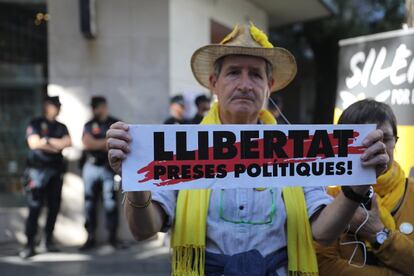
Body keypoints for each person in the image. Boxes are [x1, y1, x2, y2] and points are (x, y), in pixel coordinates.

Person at [106, 23, 388, 275]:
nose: (244, 84)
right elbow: (143, 229)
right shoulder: (183, 147)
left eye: (255, 74)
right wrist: (136, 177)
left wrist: (357, 186)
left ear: (270, 86)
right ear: (213, 83)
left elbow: (323, 232)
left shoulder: (299, 148)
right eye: (233, 73)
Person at [315, 99, 414, 275]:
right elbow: (324, 266)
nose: (377, 147)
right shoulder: (327, 198)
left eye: (385, 138)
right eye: (363, 139)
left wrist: (378, 234)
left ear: (395, 142)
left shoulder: (411, 192)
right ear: (341, 145)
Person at [20, 96, 72, 259]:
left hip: (55, 172)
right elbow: (34, 143)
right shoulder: (35, 123)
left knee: (54, 207)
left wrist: (47, 141)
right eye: (54, 105)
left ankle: (47, 241)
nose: (57, 108)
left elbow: (67, 143)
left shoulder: (61, 126)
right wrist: (54, 145)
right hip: (37, 172)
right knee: (34, 207)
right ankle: (29, 244)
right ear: (46, 106)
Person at [80, 96, 120, 250]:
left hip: (109, 168)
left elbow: (118, 143)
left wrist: (99, 143)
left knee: (110, 202)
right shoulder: (89, 125)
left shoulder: (115, 123)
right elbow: (87, 143)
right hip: (91, 167)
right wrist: (106, 142)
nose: (93, 110)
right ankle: (90, 237)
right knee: (90, 203)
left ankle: (113, 237)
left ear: (103, 107)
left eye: (95, 107)